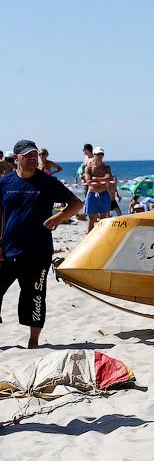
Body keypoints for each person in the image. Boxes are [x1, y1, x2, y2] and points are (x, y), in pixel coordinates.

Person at [0, 140, 83, 348]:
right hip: (7, 250)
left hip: (38, 251)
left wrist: (59, 217)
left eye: (34, 155)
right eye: (27, 155)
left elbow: (77, 204)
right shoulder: (5, 183)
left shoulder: (47, 182)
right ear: (16, 158)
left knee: (35, 296)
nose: (32, 158)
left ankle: (33, 341)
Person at [84, 147, 112, 232]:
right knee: (92, 218)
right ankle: (89, 237)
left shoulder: (106, 167)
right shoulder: (89, 167)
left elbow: (108, 178)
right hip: (93, 193)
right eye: (98, 154)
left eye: (101, 154)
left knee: (103, 218)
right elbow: (89, 181)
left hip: (104, 193)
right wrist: (103, 180)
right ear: (94, 155)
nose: (100, 156)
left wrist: (96, 178)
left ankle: (101, 235)